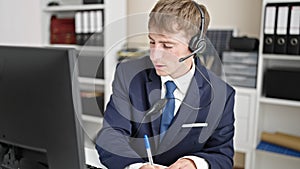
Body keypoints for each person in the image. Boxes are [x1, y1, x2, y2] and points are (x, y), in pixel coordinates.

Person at [95, 0, 235, 168]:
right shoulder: (128, 74)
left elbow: (222, 156)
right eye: (152, 42)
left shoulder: (221, 94)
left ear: (196, 46)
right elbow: (110, 135)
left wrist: (195, 163)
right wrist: (137, 167)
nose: (155, 55)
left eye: (167, 46)